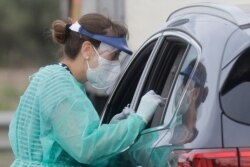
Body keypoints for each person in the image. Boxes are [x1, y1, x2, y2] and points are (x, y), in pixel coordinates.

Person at [8, 13, 163, 167]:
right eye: (113, 55)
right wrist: (137, 120)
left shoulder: (54, 78)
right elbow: (86, 148)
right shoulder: (60, 87)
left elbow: (70, 140)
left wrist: (113, 128)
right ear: (87, 50)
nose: (116, 64)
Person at [170, 60, 208, 145]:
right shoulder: (172, 127)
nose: (180, 89)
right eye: (182, 82)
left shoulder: (175, 135)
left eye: (185, 83)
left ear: (195, 93)